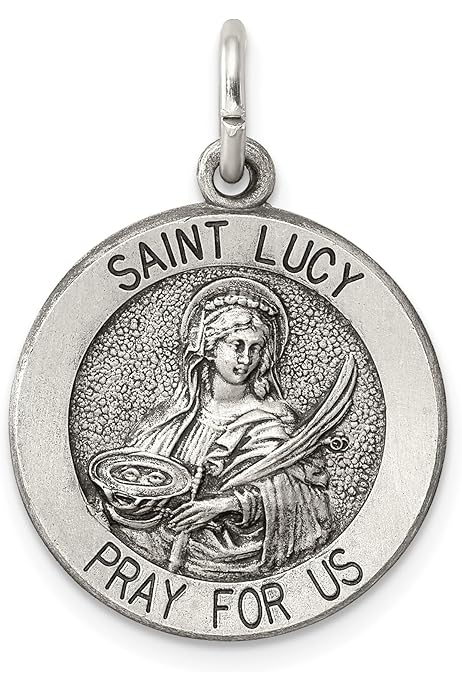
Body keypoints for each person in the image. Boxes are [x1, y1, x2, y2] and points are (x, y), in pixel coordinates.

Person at [98, 278, 334, 580]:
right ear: (210, 346)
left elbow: (302, 497)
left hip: (229, 555)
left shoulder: (274, 421)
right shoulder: (172, 417)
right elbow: (130, 474)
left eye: (255, 348)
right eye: (236, 346)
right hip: (153, 541)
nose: (246, 359)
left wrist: (224, 505)